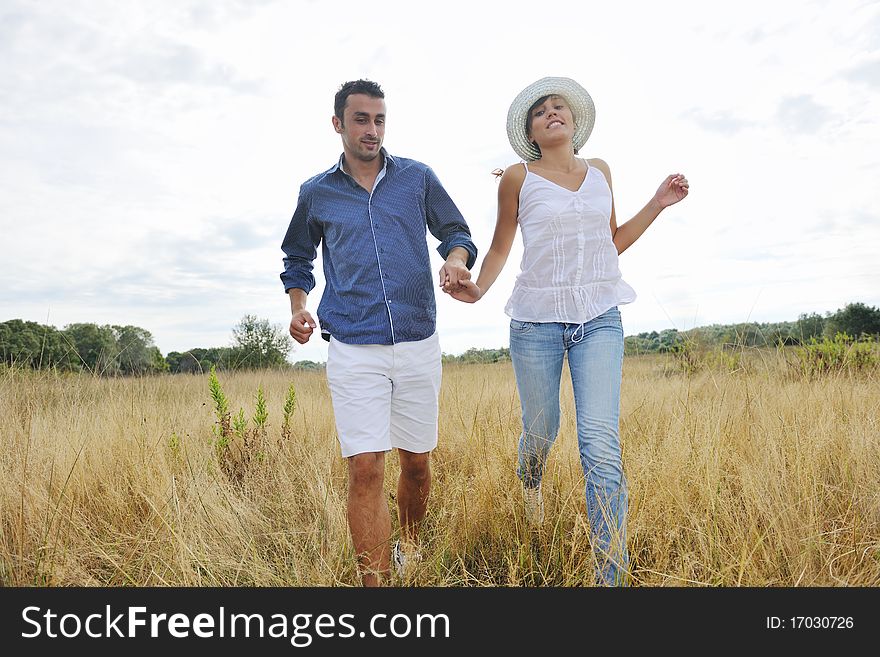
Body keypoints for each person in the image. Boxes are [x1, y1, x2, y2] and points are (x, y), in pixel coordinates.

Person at [445, 76, 688, 586]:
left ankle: (609, 578)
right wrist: (477, 290)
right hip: (536, 323)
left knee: (599, 444)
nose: (552, 112)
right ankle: (530, 482)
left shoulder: (601, 172)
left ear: (575, 122)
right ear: (532, 132)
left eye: (559, 107)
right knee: (541, 430)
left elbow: (612, 243)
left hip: (599, 316)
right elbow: (498, 248)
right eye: (541, 111)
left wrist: (658, 203)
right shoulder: (517, 177)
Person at [280, 79, 477, 586]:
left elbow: (457, 233)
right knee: (365, 467)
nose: (373, 129)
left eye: (380, 119)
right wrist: (299, 306)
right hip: (352, 348)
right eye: (362, 119)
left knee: (415, 463)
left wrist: (456, 261)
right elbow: (297, 259)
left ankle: (409, 548)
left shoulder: (417, 178)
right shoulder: (316, 193)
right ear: (338, 124)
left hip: (417, 341)